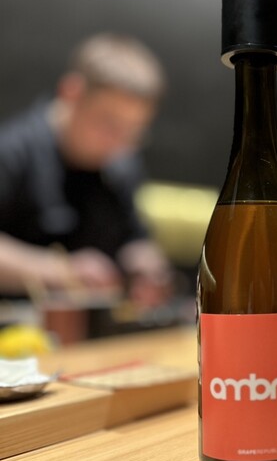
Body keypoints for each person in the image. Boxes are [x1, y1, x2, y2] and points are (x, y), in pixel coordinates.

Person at [0, 33, 171, 305]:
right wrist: (60, 271)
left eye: (133, 131)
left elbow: (134, 238)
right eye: (109, 124)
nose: (119, 143)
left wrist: (145, 266)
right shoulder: (11, 151)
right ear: (72, 93)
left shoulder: (121, 161)